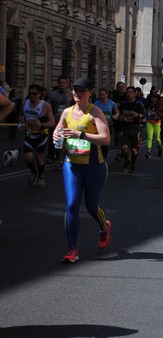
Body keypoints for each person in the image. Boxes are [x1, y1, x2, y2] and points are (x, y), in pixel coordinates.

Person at [52, 77, 112, 263]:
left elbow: (105, 139)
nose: (77, 93)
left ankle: (104, 226)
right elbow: (58, 130)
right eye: (75, 90)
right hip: (72, 165)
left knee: (91, 206)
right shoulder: (67, 113)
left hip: (94, 166)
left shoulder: (95, 112)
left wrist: (82, 134)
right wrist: (56, 136)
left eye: (81, 90)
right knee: (71, 205)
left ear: (90, 93)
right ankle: (72, 249)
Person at [19, 84, 55, 188]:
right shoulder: (24, 103)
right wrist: (20, 125)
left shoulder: (45, 105)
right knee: (28, 157)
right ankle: (33, 172)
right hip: (29, 134)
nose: (31, 96)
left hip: (41, 135)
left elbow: (52, 122)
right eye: (30, 93)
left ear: (40, 94)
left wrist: (42, 125)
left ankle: (41, 177)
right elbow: (21, 115)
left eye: (34, 94)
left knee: (39, 157)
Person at [46, 76, 74, 167]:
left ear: (67, 84)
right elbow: (48, 106)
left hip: (67, 121)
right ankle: (51, 156)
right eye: (60, 82)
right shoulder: (53, 94)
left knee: (65, 140)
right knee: (53, 139)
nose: (62, 84)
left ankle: (61, 158)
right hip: (55, 120)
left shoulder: (71, 94)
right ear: (58, 84)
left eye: (64, 82)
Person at [119, 86, 145, 173]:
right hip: (125, 127)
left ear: (134, 94)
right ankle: (127, 161)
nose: (129, 94)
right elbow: (119, 114)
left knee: (134, 150)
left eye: (131, 92)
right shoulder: (124, 103)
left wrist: (138, 115)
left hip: (135, 128)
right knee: (124, 147)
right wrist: (120, 117)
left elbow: (144, 115)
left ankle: (133, 164)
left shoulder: (138, 104)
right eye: (128, 92)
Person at [93, 88, 120, 159]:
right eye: (100, 95)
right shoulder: (97, 103)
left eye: (103, 95)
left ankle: (104, 158)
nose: (101, 96)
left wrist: (115, 116)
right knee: (98, 142)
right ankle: (97, 157)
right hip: (98, 126)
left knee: (105, 143)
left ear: (107, 94)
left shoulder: (112, 104)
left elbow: (117, 112)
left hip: (108, 126)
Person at [144, 93, 163, 158]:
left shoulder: (159, 105)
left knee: (157, 138)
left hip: (157, 123)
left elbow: (160, 113)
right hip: (149, 122)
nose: (153, 99)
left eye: (155, 98)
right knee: (149, 137)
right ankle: (148, 152)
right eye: (152, 97)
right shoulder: (148, 105)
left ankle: (160, 148)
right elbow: (145, 112)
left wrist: (153, 113)